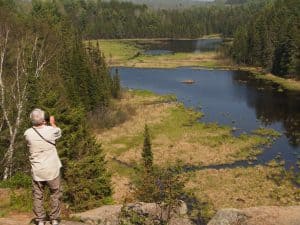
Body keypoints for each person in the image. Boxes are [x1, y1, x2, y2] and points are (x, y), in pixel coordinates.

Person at [24, 109, 62, 225]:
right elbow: (59, 132)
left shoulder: (27, 133)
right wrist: (52, 122)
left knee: (38, 195)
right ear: (43, 119)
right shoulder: (51, 130)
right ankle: (54, 219)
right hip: (52, 169)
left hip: (37, 170)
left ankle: (40, 220)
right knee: (55, 193)